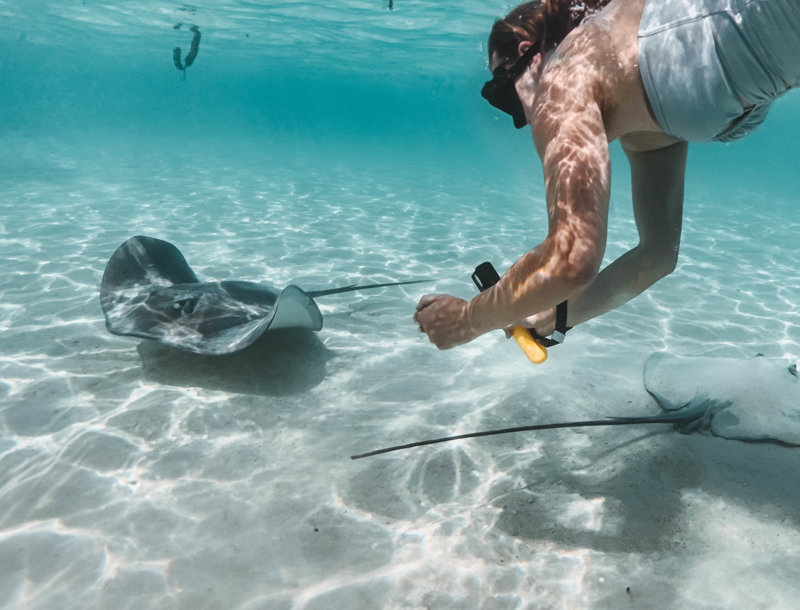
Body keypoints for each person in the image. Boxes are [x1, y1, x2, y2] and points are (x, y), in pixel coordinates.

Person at [414, 0, 800, 350]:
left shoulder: (565, 73)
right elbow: (657, 255)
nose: (523, 119)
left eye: (506, 94)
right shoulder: (643, 117)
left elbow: (571, 258)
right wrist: (554, 314)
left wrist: (468, 320)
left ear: (529, 56)